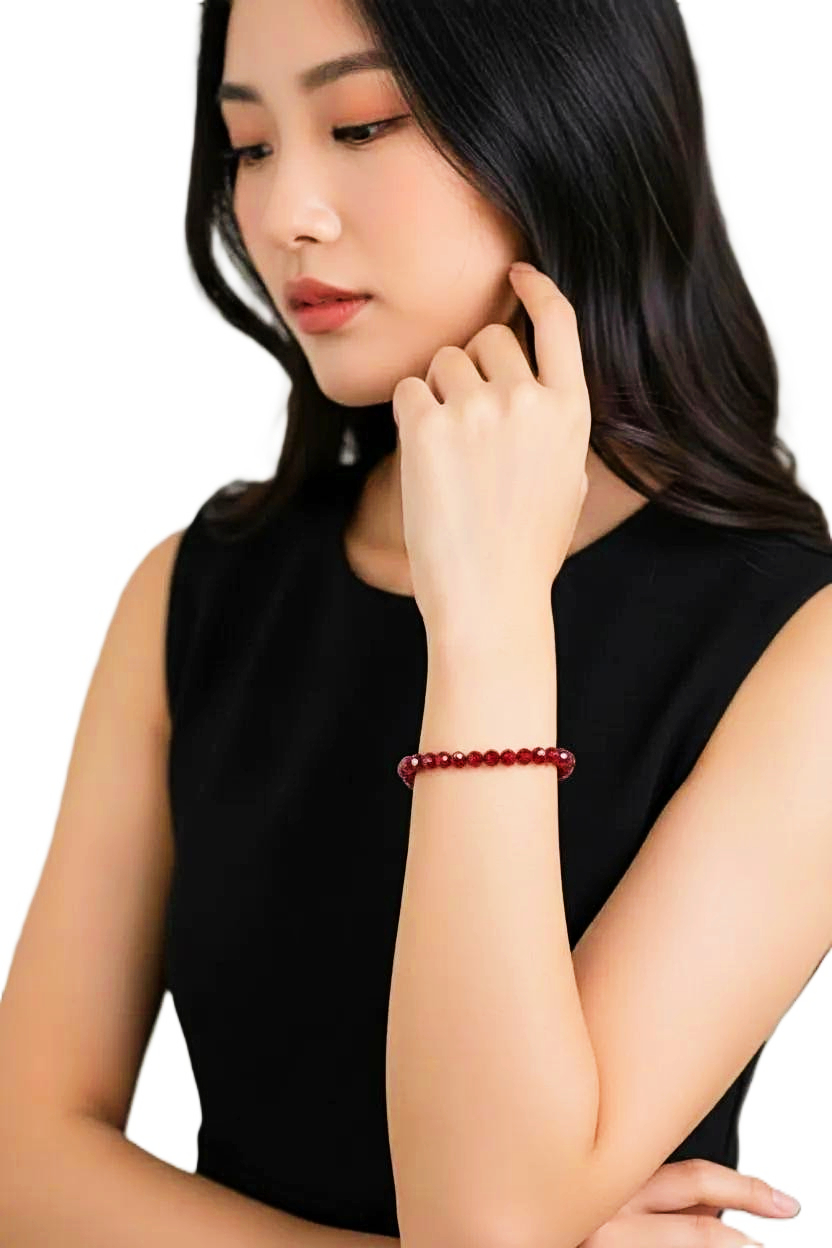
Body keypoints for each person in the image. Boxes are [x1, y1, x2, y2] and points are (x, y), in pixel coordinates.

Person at [0, 0, 826, 1244]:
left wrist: (488, 616)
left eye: (363, 123)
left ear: (572, 129)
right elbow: (18, 1160)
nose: (284, 213)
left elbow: (485, 1213)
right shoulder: (192, 593)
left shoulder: (796, 648)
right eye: (250, 145)